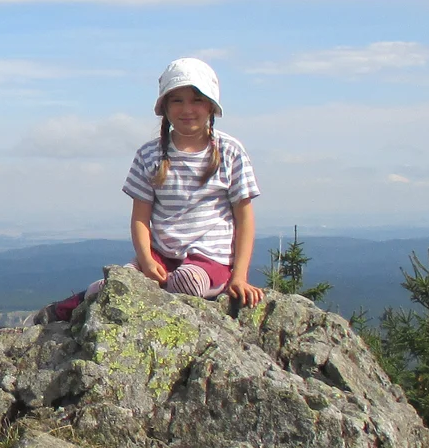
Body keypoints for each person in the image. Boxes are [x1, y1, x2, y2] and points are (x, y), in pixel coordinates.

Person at [32, 56, 264, 323]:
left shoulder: (230, 152)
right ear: (164, 106)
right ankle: (67, 308)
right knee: (115, 284)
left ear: (211, 105)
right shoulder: (149, 154)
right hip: (161, 256)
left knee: (188, 282)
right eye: (177, 100)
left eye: (197, 99)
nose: (187, 108)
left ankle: (148, 292)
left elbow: (244, 218)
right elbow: (140, 217)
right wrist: (146, 260)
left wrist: (239, 277)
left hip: (211, 259)